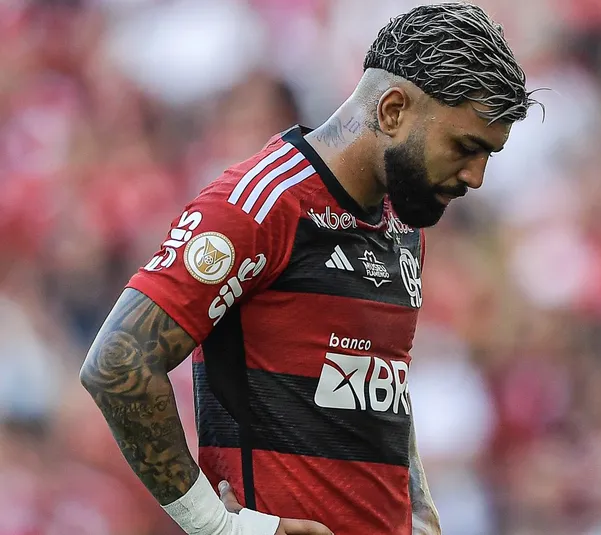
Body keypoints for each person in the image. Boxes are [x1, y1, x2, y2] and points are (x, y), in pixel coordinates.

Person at [80, 3, 537, 534]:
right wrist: (217, 526)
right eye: (465, 147)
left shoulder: (401, 221)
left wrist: (420, 508)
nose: (476, 177)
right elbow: (117, 364)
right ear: (393, 110)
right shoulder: (261, 205)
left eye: (488, 156)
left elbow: (378, 383)